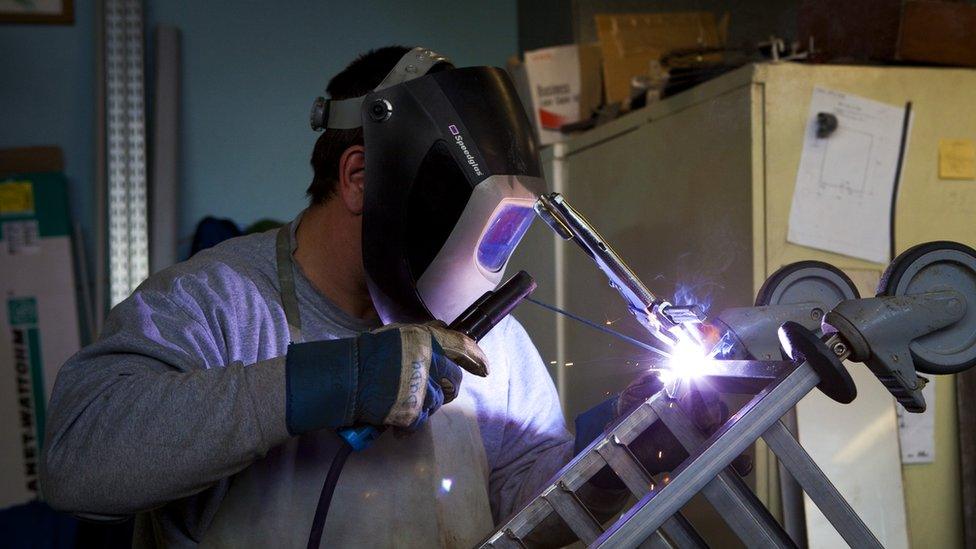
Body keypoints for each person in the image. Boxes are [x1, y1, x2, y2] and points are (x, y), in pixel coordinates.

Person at [40, 46, 714, 548]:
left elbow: (527, 506)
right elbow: (77, 464)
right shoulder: (216, 305)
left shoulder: (490, 334)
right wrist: (326, 381)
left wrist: (629, 447)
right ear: (359, 176)